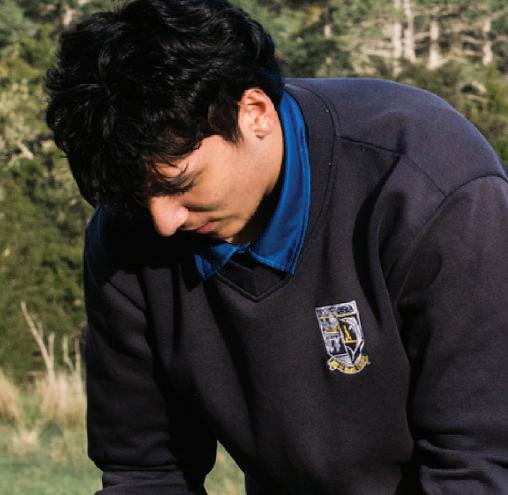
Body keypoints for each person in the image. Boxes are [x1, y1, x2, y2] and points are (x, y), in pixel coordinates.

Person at [45, 0, 508, 493]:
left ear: (254, 113)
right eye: (141, 197)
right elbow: (146, 472)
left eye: (181, 184)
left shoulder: (429, 185)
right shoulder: (127, 231)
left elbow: (480, 462)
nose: (163, 222)